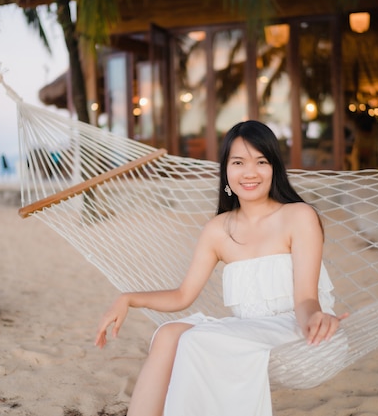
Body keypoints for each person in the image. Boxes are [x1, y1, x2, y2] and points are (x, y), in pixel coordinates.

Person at [95, 120, 348, 416]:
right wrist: (128, 298)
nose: (250, 172)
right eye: (238, 162)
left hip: (299, 328)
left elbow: (306, 297)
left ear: (274, 168)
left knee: (196, 339)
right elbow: (182, 296)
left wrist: (316, 318)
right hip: (250, 330)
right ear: (226, 171)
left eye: (261, 161)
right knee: (167, 335)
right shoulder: (218, 229)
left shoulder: (298, 216)